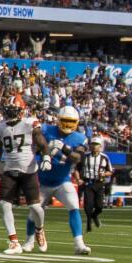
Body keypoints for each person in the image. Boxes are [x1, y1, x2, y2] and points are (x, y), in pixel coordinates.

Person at [0, 98, 49, 254]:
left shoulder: (30, 124)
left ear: (21, 110)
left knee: (35, 207)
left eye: (13, 109)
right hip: (9, 170)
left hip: (29, 170)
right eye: (8, 109)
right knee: (4, 204)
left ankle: (39, 229)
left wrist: (46, 157)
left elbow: (42, 143)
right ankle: (14, 241)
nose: (9, 112)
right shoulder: (0, 127)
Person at [30, 106, 90, 255]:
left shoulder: (80, 138)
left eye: (71, 121)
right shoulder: (46, 130)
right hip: (42, 181)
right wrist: (43, 147)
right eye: (65, 121)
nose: (68, 124)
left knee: (74, 206)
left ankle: (79, 244)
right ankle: (29, 241)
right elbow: (36, 140)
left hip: (63, 181)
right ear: (58, 120)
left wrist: (64, 148)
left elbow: (77, 157)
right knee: (34, 213)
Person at [80, 135, 113, 231]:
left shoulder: (104, 157)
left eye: (96, 144)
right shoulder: (85, 157)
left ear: (100, 146)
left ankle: (94, 216)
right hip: (88, 183)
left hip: (99, 183)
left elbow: (110, 171)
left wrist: (104, 174)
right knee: (88, 205)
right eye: (93, 144)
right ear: (90, 146)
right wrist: (79, 178)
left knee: (99, 206)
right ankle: (89, 223)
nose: (94, 146)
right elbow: (77, 168)